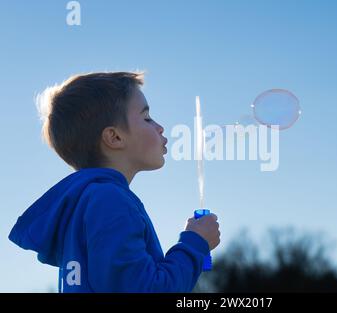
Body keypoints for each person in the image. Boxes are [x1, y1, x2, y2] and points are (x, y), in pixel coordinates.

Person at [9, 72, 220, 292]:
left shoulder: (86, 205)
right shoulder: (110, 201)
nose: (160, 127)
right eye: (147, 118)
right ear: (115, 138)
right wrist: (194, 244)